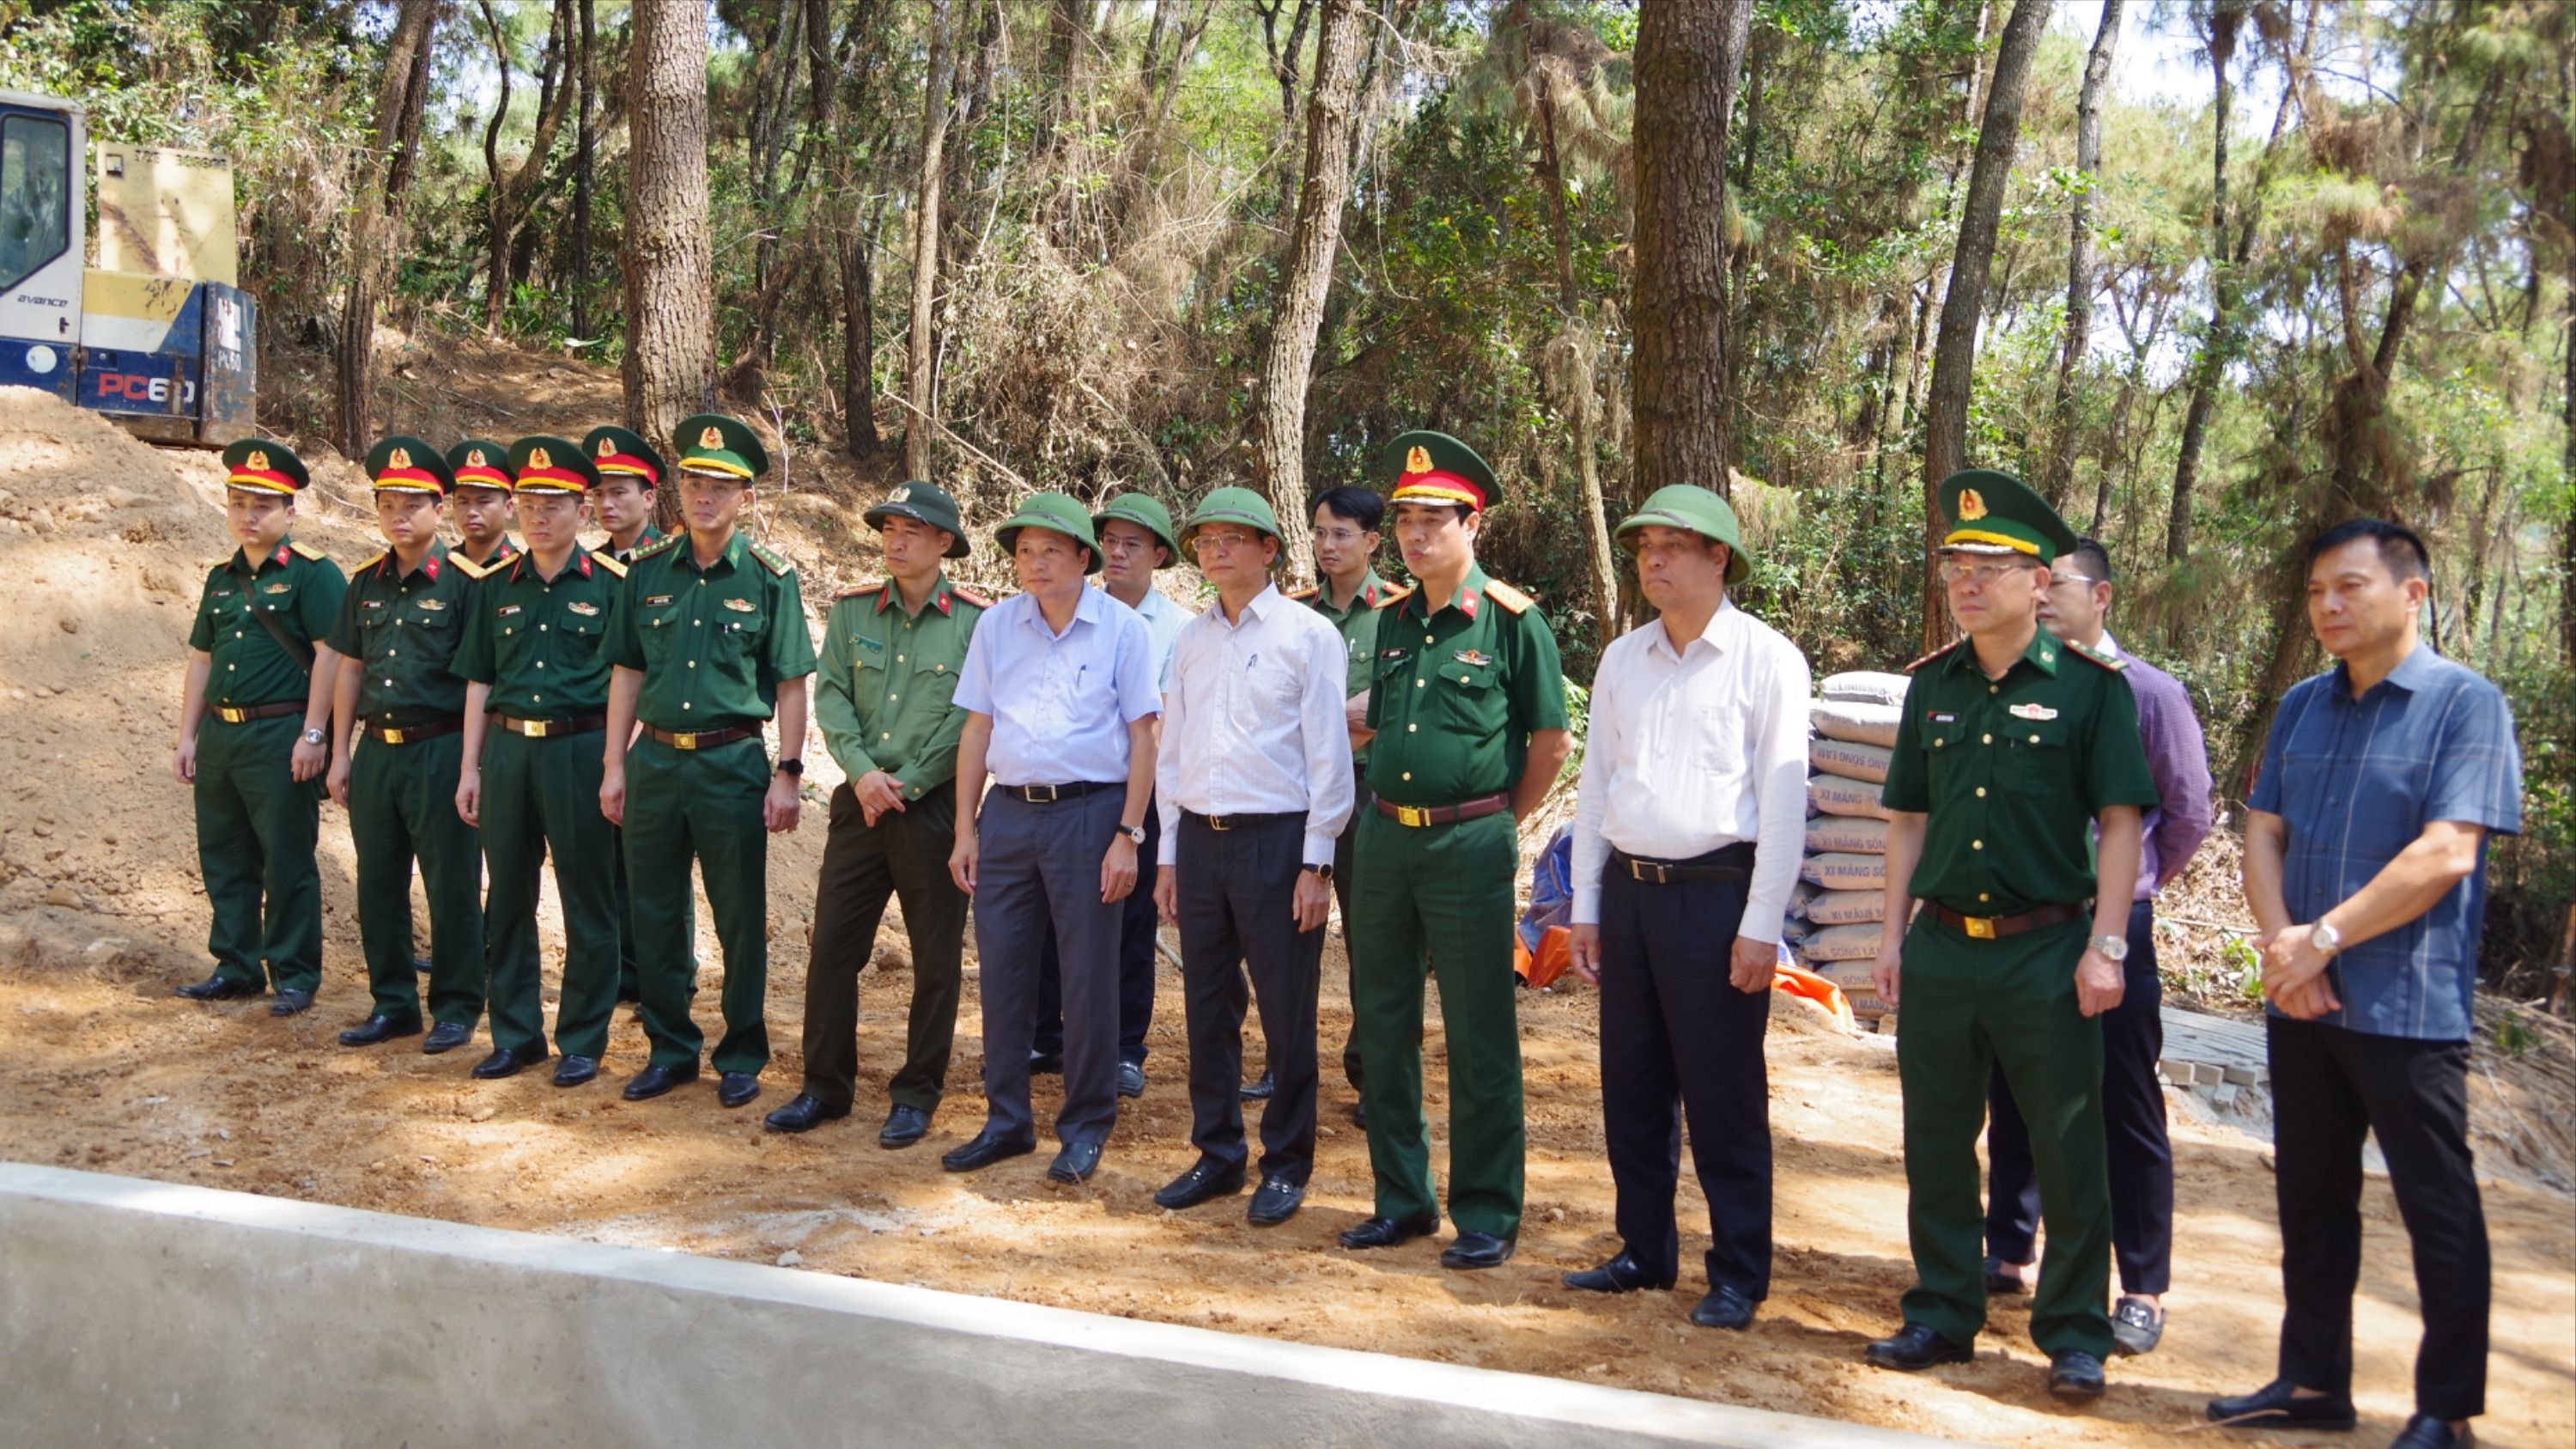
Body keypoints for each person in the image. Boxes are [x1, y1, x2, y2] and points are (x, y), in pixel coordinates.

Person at [2208, 519, 2522, 1449]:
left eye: (2349, 587)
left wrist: (2325, 938)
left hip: (2407, 1005)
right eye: (2315, 593)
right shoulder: (2304, 704)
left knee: (2438, 1206)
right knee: (2310, 1194)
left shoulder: (2467, 705)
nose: (2329, 607)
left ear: (2413, 592)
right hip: (2302, 1000)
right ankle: (2312, 1382)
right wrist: (2283, 947)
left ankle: (2446, 1409)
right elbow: (2263, 830)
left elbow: (2447, 850)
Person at [1862, 469, 2159, 1402]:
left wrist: (2107, 946)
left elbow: (2121, 822)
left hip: (2046, 949)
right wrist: (1889, 935)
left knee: (2071, 1147)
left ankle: (2073, 1330)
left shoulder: (2091, 690)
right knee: (1936, 1139)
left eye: (1990, 565)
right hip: (1945, 946)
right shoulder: (1933, 689)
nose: (1967, 580)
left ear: (2041, 583)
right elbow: (1906, 818)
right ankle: (1943, 1311)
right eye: (1957, 562)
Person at [1562, 484, 1809, 1330]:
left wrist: (1761, 925)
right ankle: (1643, 1249)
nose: (1654, 560)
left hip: (1716, 895)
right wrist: (1586, 904)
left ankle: (1738, 1271)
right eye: (1644, 547)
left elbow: (1783, 807)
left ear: (1719, 559)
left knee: (1723, 1093)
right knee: (1631, 1082)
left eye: (1673, 545)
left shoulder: (1766, 659)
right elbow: (1598, 786)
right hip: (1630, 892)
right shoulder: (1623, 658)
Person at [1340, 431, 1571, 1271]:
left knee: (1479, 1029)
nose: (1415, 534)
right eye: (1404, 520)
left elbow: (1549, 740)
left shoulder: (1514, 622)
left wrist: (1496, 818)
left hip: (1469, 842)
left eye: (1433, 519)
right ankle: (1402, 1199)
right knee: (1384, 1021)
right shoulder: (1392, 619)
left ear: (1471, 524)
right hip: (1384, 838)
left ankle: (1485, 1210)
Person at [1984, 536, 2213, 1355]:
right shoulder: (2014, 683)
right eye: (2036, 583)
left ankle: (2142, 1284)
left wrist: (2136, 885)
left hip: (2111, 923)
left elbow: (2186, 810)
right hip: (2025, 921)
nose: (2043, 597)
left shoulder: (2145, 692)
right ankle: (2009, 1246)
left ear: (2104, 596)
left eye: (2061, 584)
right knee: (2013, 1084)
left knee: (2123, 1100)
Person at [1148, 488, 1354, 1226]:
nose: (1217, 551)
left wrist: (1317, 861)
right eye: (1206, 539)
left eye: (1236, 538)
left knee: (1286, 1008)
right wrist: (1169, 854)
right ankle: (1218, 1152)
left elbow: (1329, 756)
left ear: (1270, 550)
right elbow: (1171, 750)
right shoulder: (1190, 639)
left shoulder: (1308, 635)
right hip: (1201, 841)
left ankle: (1287, 1161)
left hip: (1279, 840)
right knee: (1206, 1004)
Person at [942, 494, 1161, 1185]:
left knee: (1087, 972)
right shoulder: (997, 626)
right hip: (1007, 813)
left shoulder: (1122, 631)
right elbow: (977, 729)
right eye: (1023, 552)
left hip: (1089, 815)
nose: (1033, 564)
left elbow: (1143, 735)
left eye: (1048, 551)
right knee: (1003, 968)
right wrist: (965, 827)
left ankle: (1085, 1124)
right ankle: (1006, 1120)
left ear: (1083, 560)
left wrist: (1129, 833)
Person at [599, 414, 816, 1109]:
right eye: (695, 481)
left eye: (721, 486)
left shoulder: (769, 578)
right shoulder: (647, 572)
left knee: (739, 916)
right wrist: (614, 765)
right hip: (656, 764)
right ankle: (670, 1047)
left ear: (745, 498)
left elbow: (789, 683)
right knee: (655, 912)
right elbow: (627, 675)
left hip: (732, 766)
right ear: (679, 490)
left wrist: (788, 771)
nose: (705, 496)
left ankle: (742, 1053)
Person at [767, 481, 988, 1148]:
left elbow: (970, 716)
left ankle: (917, 1093)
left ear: (944, 542)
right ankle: (823, 1087)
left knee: (936, 960)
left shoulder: (977, 621)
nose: (896, 540)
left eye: (912, 530)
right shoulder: (852, 611)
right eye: (889, 528)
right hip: (858, 806)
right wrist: (862, 774)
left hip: (935, 807)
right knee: (833, 948)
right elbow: (832, 696)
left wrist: (911, 781)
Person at [451, 436, 624, 1086]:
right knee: (507, 899)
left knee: (587, 897)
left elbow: (624, 680)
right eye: (528, 504)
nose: (538, 518)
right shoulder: (497, 586)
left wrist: (616, 763)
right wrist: (470, 767)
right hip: (507, 751)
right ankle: (516, 1034)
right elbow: (477, 681)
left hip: (579, 750)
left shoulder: (610, 586)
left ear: (581, 511)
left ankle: (582, 1038)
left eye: (553, 505)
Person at [325, 437, 492, 1056]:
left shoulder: (465, 582)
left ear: (438, 508)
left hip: (439, 748)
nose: (398, 515)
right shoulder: (364, 581)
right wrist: (340, 751)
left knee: (451, 884)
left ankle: (455, 1006)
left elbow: (480, 678)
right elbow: (348, 667)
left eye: (411, 503)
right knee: (378, 884)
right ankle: (392, 1003)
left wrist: (471, 764)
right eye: (386, 503)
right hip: (377, 750)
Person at [173, 439, 346, 1014]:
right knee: (225, 853)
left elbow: (331, 655)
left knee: (287, 857)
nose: (249, 515)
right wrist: (188, 735)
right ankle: (236, 965)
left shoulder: (312, 575)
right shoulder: (221, 578)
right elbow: (201, 658)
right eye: (239, 502)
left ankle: (295, 974)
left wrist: (315, 732)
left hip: (281, 733)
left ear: (289, 512)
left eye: (263, 505)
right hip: (222, 734)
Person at [1030, 491, 1194, 1099]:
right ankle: (1046, 1033)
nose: (1118, 553)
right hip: (1077, 788)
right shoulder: (1075, 610)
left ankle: (1126, 1046)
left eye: (1133, 543)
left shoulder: (1177, 628)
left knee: (1129, 916)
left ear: (1159, 554)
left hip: (1144, 793)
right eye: (1110, 541)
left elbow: (1164, 723)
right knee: (1050, 911)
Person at [1282, 484, 1406, 1117]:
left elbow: (1394, 711)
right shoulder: (1295, 613)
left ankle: (1373, 1073)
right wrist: (1342, 713)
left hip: (1367, 792)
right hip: (1294, 792)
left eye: (1342, 534)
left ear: (1373, 541)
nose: (1328, 545)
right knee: (1286, 931)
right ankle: (1287, 1063)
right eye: (1320, 532)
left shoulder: (1400, 612)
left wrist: (1351, 715)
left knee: (1371, 939)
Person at [581, 424, 696, 1008]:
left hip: (652, 734)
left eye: (620, 492)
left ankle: (670, 968)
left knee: (655, 867)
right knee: (604, 859)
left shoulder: (669, 564)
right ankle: (622, 967)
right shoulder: (586, 567)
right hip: (592, 735)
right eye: (598, 493)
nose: (607, 503)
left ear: (649, 497)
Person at [448, 438, 521, 570]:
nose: (472, 512)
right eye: (463, 502)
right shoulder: (442, 570)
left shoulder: (522, 571)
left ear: (508, 507)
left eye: (483, 502)